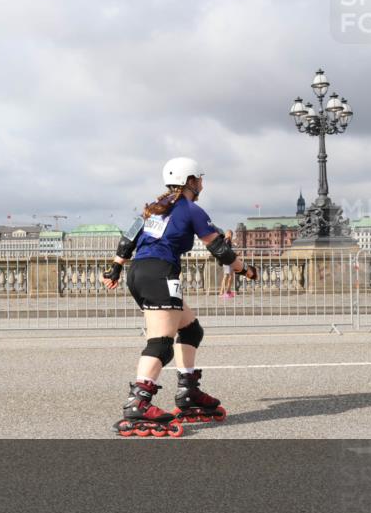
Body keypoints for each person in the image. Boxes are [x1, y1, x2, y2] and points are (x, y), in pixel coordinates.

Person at [101, 157, 258, 437]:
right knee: (161, 343)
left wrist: (114, 269)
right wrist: (246, 270)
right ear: (190, 182)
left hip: (139, 273)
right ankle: (138, 402)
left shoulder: (154, 207)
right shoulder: (190, 209)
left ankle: (189, 391)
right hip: (160, 274)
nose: (201, 183)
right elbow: (220, 250)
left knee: (191, 329)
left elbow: (128, 240)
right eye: (199, 179)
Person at [219, 230, 235, 299]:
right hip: (226, 260)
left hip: (229, 260)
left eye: (232, 234)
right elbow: (225, 250)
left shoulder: (229, 241)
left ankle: (228, 291)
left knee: (230, 276)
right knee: (226, 276)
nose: (231, 235)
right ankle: (221, 292)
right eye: (230, 234)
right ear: (227, 234)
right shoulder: (226, 240)